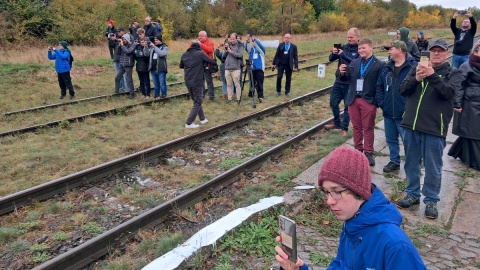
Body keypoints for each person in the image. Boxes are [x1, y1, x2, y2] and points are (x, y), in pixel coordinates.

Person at [274, 146, 427, 270]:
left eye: (337, 192)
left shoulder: (395, 246)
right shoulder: (353, 224)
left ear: (358, 190)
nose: (329, 201)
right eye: (327, 192)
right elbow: (340, 265)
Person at [397, 39, 463, 219]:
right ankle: (412, 194)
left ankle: (431, 199)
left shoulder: (453, 73)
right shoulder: (416, 69)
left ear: (446, 53)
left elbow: (449, 93)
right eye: (433, 50)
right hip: (411, 125)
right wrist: (417, 78)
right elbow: (402, 89)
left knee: (433, 167)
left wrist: (432, 76)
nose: (436, 53)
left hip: (434, 128)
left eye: (440, 51)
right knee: (411, 163)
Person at [339, 38, 384, 166]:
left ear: (371, 48)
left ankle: (368, 152)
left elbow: (380, 85)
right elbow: (348, 78)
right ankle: (358, 150)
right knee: (357, 127)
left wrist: (376, 102)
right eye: (359, 48)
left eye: (363, 48)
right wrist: (342, 73)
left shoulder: (379, 65)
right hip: (353, 99)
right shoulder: (354, 62)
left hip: (368, 100)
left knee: (368, 127)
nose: (361, 50)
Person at [376, 40, 417, 173]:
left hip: (405, 113)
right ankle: (394, 161)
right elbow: (379, 86)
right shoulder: (386, 67)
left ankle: (412, 163)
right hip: (388, 111)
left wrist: (409, 107)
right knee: (391, 139)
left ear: (399, 50)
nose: (388, 51)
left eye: (391, 49)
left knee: (408, 141)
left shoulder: (413, 67)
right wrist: (382, 103)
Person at [448, 42, 480, 170]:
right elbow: (460, 86)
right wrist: (457, 103)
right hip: (470, 102)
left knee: (471, 131)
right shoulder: (467, 65)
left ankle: (460, 153)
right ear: (476, 50)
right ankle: (476, 161)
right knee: (473, 132)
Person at [325, 27, 360, 136]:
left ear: (358, 37)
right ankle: (336, 122)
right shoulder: (343, 47)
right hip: (339, 79)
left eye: (352, 37)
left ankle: (344, 128)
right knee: (333, 102)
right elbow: (330, 59)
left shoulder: (360, 49)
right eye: (348, 37)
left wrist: (343, 55)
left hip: (351, 82)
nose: (349, 39)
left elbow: (356, 63)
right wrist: (334, 53)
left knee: (347, 106)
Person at [180, 41, 216, 128]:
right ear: (199, 47)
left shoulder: (184, 54)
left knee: (196, 100)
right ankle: (189, 123)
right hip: (197, 81)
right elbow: (212, 61)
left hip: (188, 80)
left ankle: (202, 119)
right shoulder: (200, 54)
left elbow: (181, 66)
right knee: (198, 101)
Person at [115, 33, 138, 99]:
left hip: (128, 65)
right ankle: (116, 92)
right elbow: (118, 53)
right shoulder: (122, 45)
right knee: (117, 78)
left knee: (129, 79)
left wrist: (122, 45)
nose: (123, 40)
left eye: (124, 39)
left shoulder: (132, 45)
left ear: (127, 39)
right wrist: (119, 45)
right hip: (122, 64)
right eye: (122, 39)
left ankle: (132, 93)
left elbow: (128, 51)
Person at [245, 31, 266, 102]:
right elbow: (247, 49)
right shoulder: (251, 50)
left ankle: (260, 96)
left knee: (260, 83)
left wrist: (254, 40)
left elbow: (259, 45)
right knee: (252, 82)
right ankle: (251, 94)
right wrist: (248, 41)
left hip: (259, 69)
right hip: (252, 68)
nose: (255, 44)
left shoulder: (261, 51)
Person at [224, 33, 244, 104]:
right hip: (227, 67)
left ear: (236, 38)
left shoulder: (240, 46)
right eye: (231, 39)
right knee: (229, 84)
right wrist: (226, 49)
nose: (232, 40)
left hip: (236, 68)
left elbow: (240, 55)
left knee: (237, 84)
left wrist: (231, 51)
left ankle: (238, 98)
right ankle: (229, 98)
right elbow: (224, 55)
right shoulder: (228, 45)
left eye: (233, 39)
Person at [197, 30, 216, 100]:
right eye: (199, 36)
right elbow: (190, 49)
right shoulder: (197, 42)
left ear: (205, 36)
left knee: (209, 81)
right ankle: (202, 95)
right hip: (199, 65)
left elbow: (210, 50)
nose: (200, 37)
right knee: (200, 81)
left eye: (201, 36)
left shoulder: (210, 43)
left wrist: (201, 45)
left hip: (207, 65)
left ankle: (211, 96)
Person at [150, 34, 169, 99]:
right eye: (155, 40)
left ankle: (163, 95)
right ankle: (156, 95)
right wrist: (146, 47)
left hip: (161, 68)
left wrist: (154, 47)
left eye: (157, 40)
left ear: (160, 40)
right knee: (156, 83)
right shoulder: (153, 47)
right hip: (153, 68)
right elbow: (147, 54)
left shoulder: (165, 47)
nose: (155, 41)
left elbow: (161, 54)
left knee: (162, 83)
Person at [112, 27, 126, 93]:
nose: (118, 33)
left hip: (123, 59)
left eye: (119, 31)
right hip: (116, 58)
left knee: (125, 75)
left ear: (123, 31)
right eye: (117, 32)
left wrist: (117, 40)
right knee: (118, 75)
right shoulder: (115, 38)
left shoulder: (126, 37)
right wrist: (112, 40)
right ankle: (121, 88)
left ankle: (126, 88)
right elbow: (111, 46)